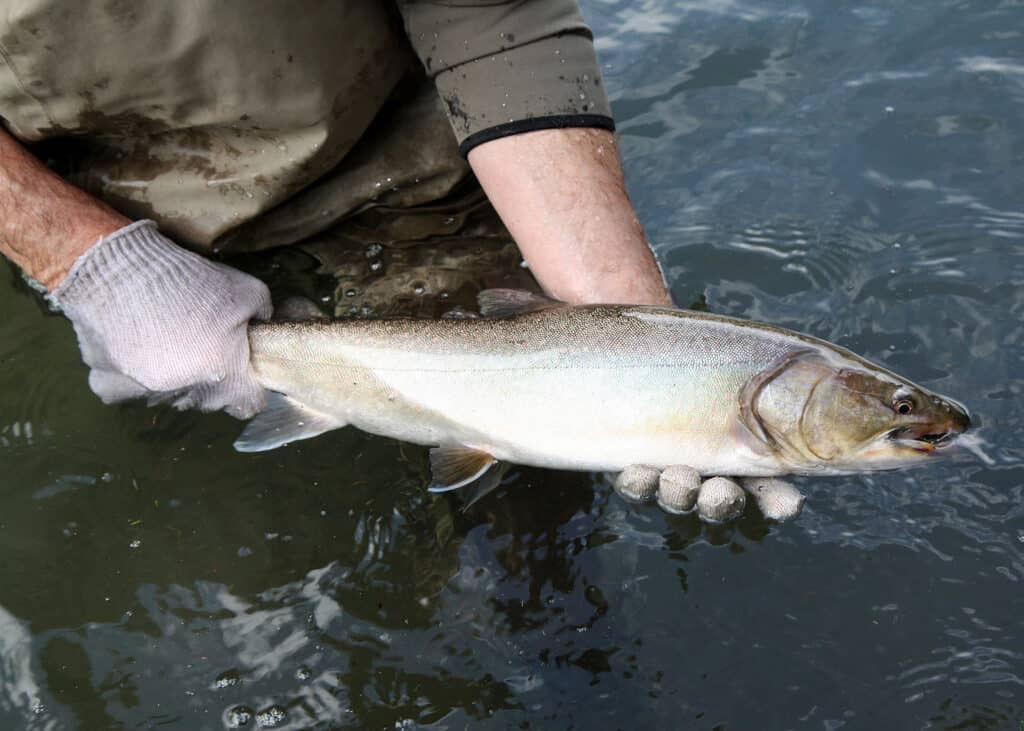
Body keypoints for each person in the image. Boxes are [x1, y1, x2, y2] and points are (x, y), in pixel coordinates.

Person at [0, 1, 799, 521]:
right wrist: (82, 257)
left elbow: (494, 15)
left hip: (393, 146)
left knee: (529, 515)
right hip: (87, 186)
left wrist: (621, 305)